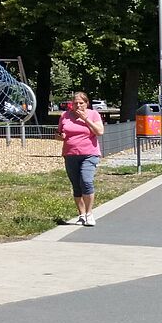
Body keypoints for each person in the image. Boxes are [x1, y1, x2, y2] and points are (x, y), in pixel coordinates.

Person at [59, 91, 104, 227]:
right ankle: (81, 214)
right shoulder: (65, 116)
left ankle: (90, 214)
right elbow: (59, 133)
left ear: (87, 103)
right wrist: (60, 136)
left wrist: (85, 119)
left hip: (89, 154)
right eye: (75, 103)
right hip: (70, 154)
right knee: (76, 185)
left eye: (81, 103)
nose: (78, 106)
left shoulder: (93, 114)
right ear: (71, 105)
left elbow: (100, 132)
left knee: (86, 181)